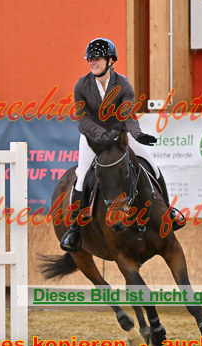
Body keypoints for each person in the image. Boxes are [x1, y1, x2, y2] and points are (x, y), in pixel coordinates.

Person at [60, 37, 184, 252]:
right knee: (82, 177)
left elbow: (128, 115)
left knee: (153, 165)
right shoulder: (82, 85)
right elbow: (83, 118)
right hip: (91, 138)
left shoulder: (123, 84)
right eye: (90, 59)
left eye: (97, 58)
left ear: (110, 61)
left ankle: (168, 211)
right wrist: (101, 135)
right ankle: (75, 229)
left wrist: (138, 135)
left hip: (120, 135)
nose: (92, 62)